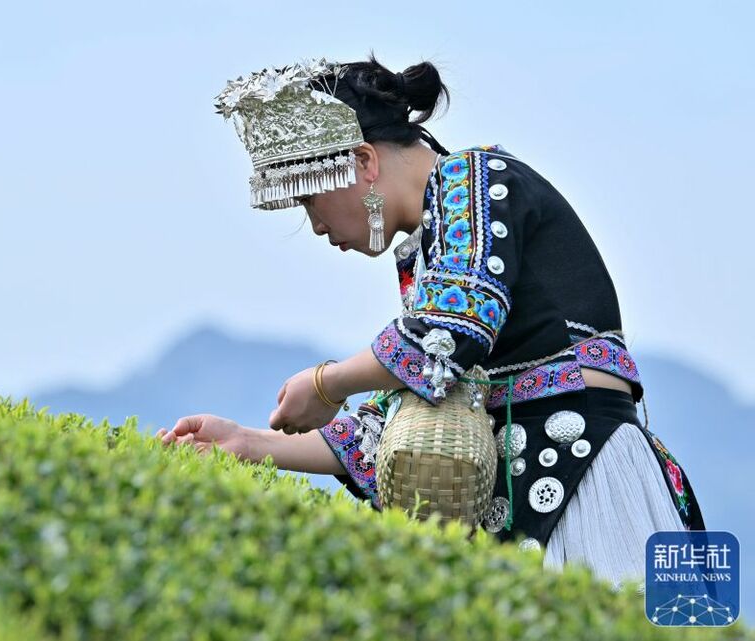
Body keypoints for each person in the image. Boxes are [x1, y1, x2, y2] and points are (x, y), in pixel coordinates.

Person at [156, 54, 705, 592]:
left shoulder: (471, 177)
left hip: (590, 482)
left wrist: (327, 382)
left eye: (312, 196)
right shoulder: (426, 250)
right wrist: (248, 443)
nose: (317, 224)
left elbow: (445, 336)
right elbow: (408, 413)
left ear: (365, 162)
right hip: (526, 495)